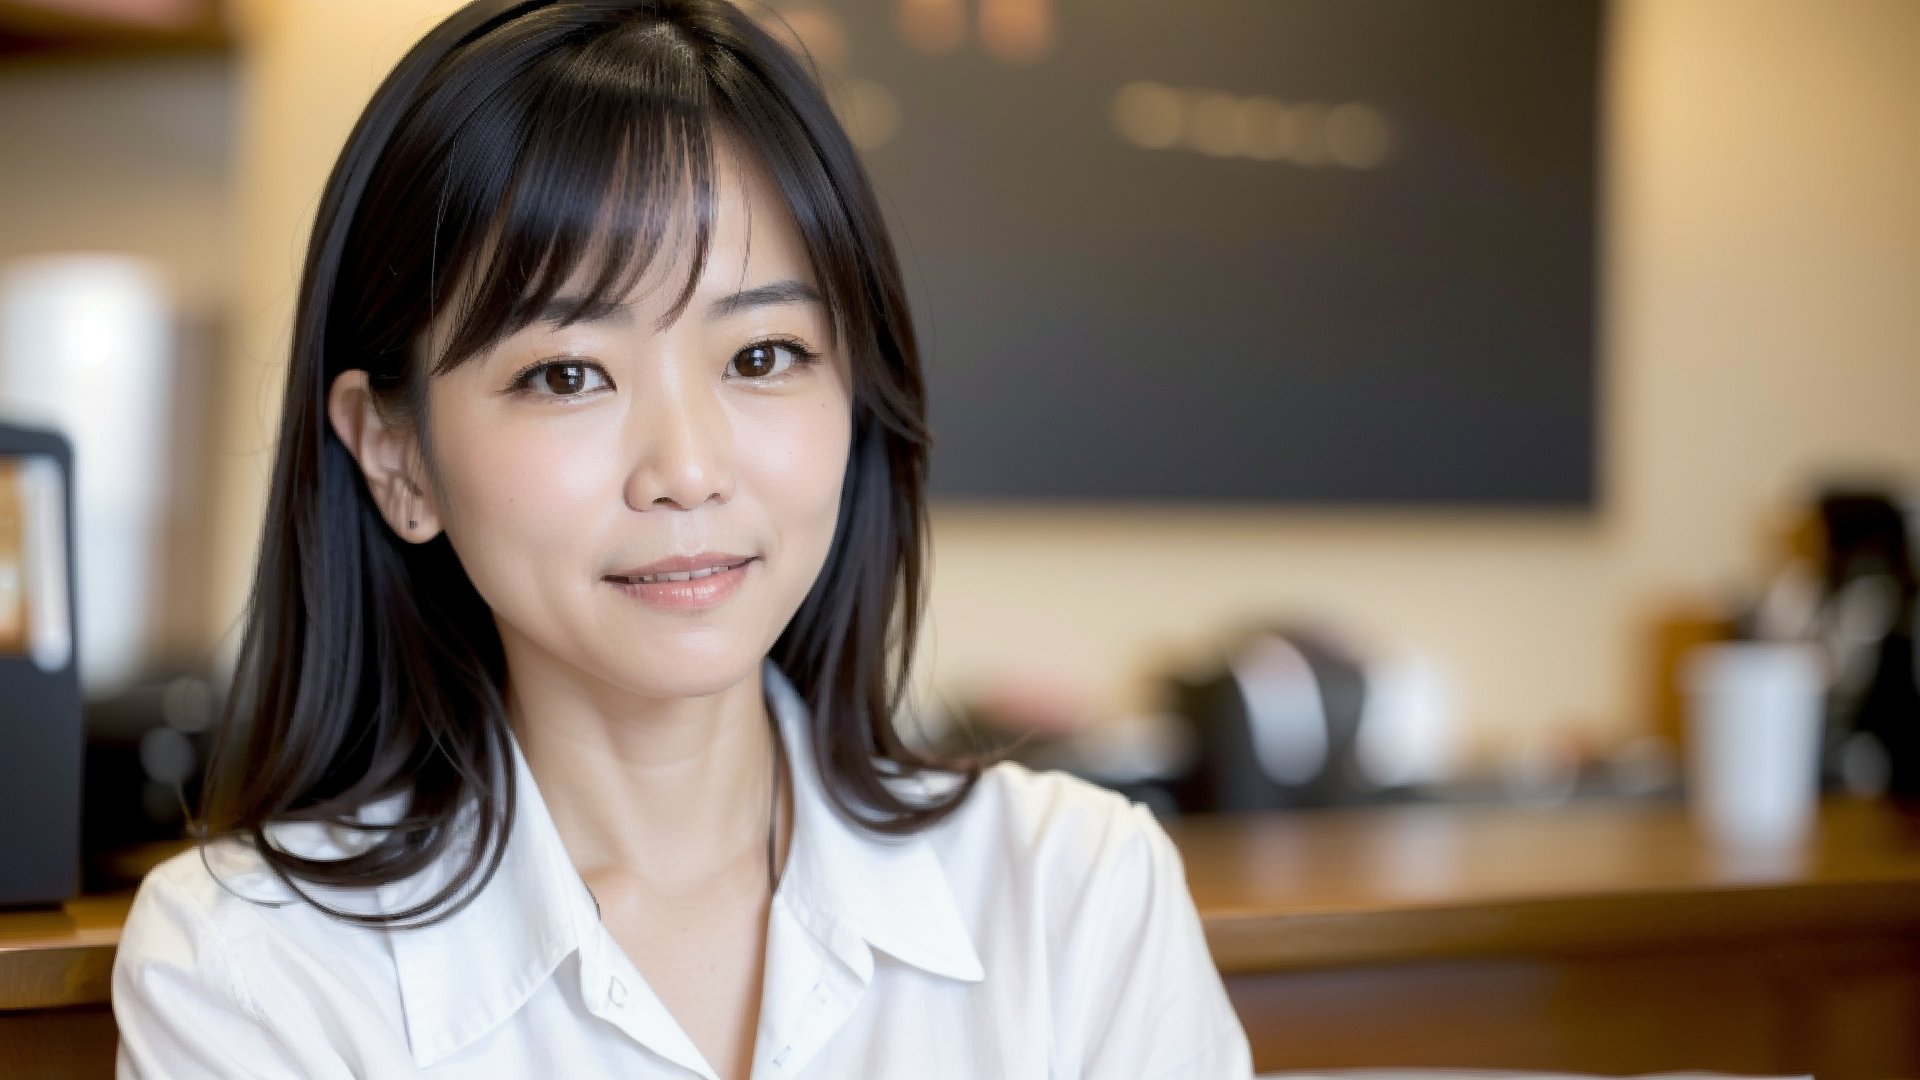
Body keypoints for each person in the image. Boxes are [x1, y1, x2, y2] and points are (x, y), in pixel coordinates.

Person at [110, 1, 1255, 1076]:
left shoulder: (1073, 891)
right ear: (397, 455)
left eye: (762, 357)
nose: (689, 470)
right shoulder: (256, 970)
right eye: (567, 373)